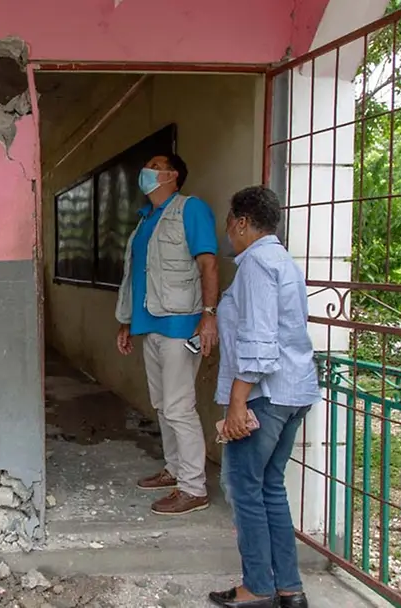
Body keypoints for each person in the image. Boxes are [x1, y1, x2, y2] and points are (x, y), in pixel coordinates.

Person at [209, 185, 319, 608]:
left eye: (228, 223)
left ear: (241, 222)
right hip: (294, 391)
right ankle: (289, 588)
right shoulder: (284, 261)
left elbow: (258, 340)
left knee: (244, 487)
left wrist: (238, 401)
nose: (227, 232)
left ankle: (257, 587)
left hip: (264, 395)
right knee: (270, 486)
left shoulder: (255, 264)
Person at [115, 152, 219, 516]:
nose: (147, 170)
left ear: (173, 175)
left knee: (178, 406)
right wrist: (127, 321)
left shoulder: (191, 209)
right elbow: (136, 278)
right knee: (162, 406)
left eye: (156, 166)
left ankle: (193, 488)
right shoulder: (146, 220)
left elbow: (208, 264)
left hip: (180, 325)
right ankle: (174, 470)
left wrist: (209, 316)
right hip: (151, 324)